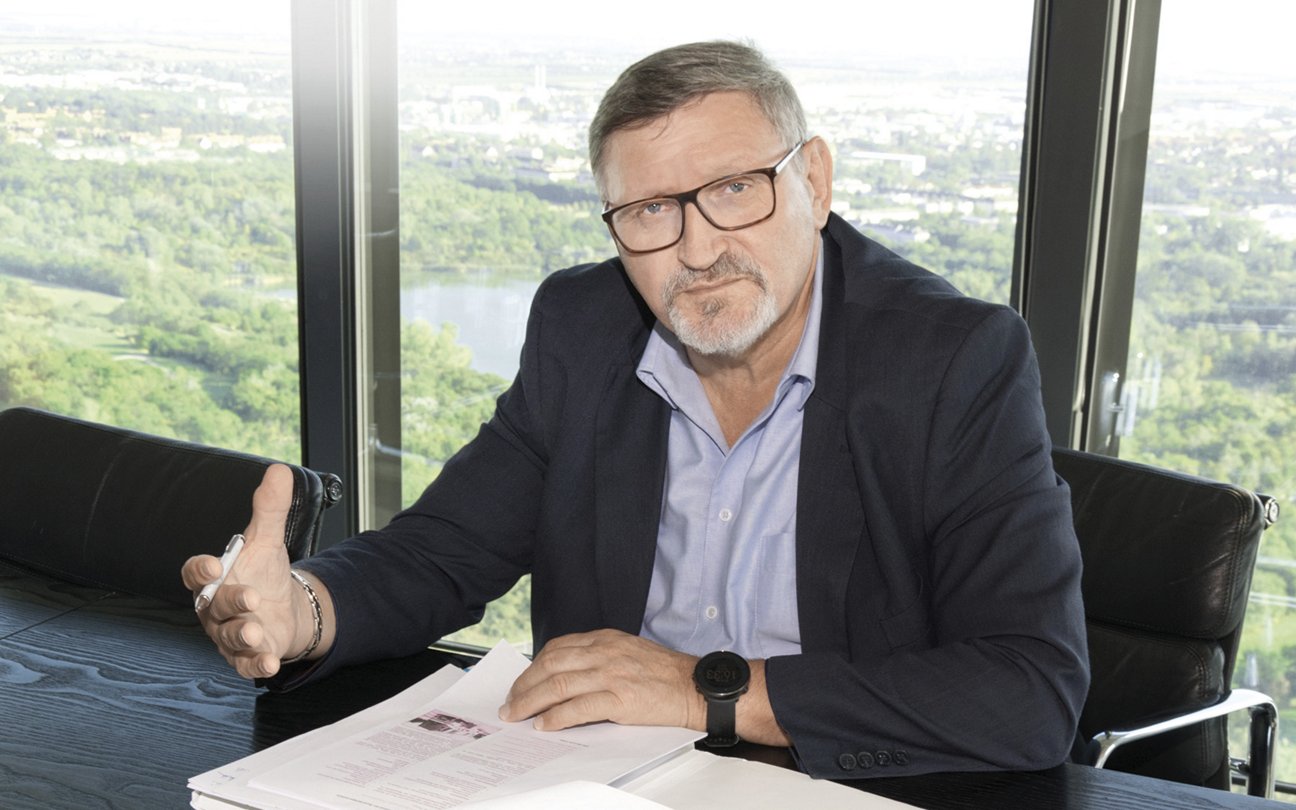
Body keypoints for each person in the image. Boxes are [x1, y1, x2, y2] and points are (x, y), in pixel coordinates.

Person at [183, 40, 1089, 779]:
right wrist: (305, 610)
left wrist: (712, 691)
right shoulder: (584, 327)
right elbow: (446, 549)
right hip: (593, 780)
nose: (698, 248)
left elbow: (1029, 691)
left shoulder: (953, 359)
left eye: (736, 188)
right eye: (651, 210)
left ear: (814, 179)